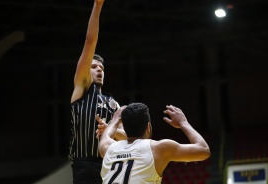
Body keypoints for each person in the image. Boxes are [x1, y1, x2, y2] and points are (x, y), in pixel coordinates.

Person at [68, 0, 126, 183]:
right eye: (94, 67)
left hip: (111, 163)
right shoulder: (82, 89)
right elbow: (90, 41)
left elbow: (129, 136)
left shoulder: (113, 103)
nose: (99, 69)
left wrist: (111, 130)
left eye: (101, 67)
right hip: (84, 163)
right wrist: (98, 5)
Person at [99, 103, 211, 183]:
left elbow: (106, 136)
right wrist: (183, 123)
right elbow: (204, 151)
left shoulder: (107, 148)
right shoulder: (158, 148)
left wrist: (115, 120)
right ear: (148, 127)